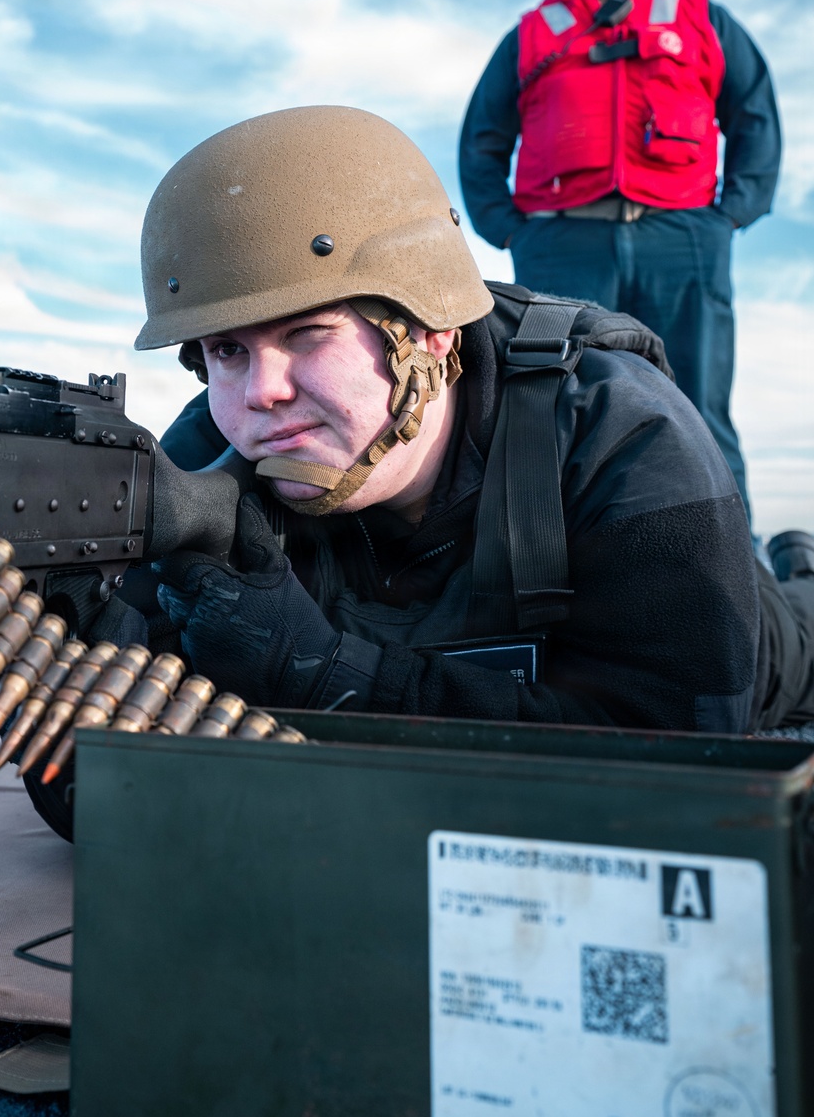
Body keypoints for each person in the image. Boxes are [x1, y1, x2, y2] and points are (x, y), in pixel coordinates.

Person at [102, 105, 813, 751]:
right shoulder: (209, 454)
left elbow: (681, 752)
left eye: (308, 334)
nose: (262, 393)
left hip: (766, 650)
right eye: (228, 351)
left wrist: (326, 677)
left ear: (431, 333)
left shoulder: (619, 431)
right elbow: (102, 787)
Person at [457, 0, 781, 530]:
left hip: (683, 240)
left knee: (699, 410)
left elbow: (755, 115)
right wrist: (513, 229)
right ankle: (545, 580)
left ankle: (739, 587)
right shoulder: (532, 34)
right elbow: (482, 138)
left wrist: (731, 215)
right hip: (562, 247)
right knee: (550, 406)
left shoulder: (700, 19)